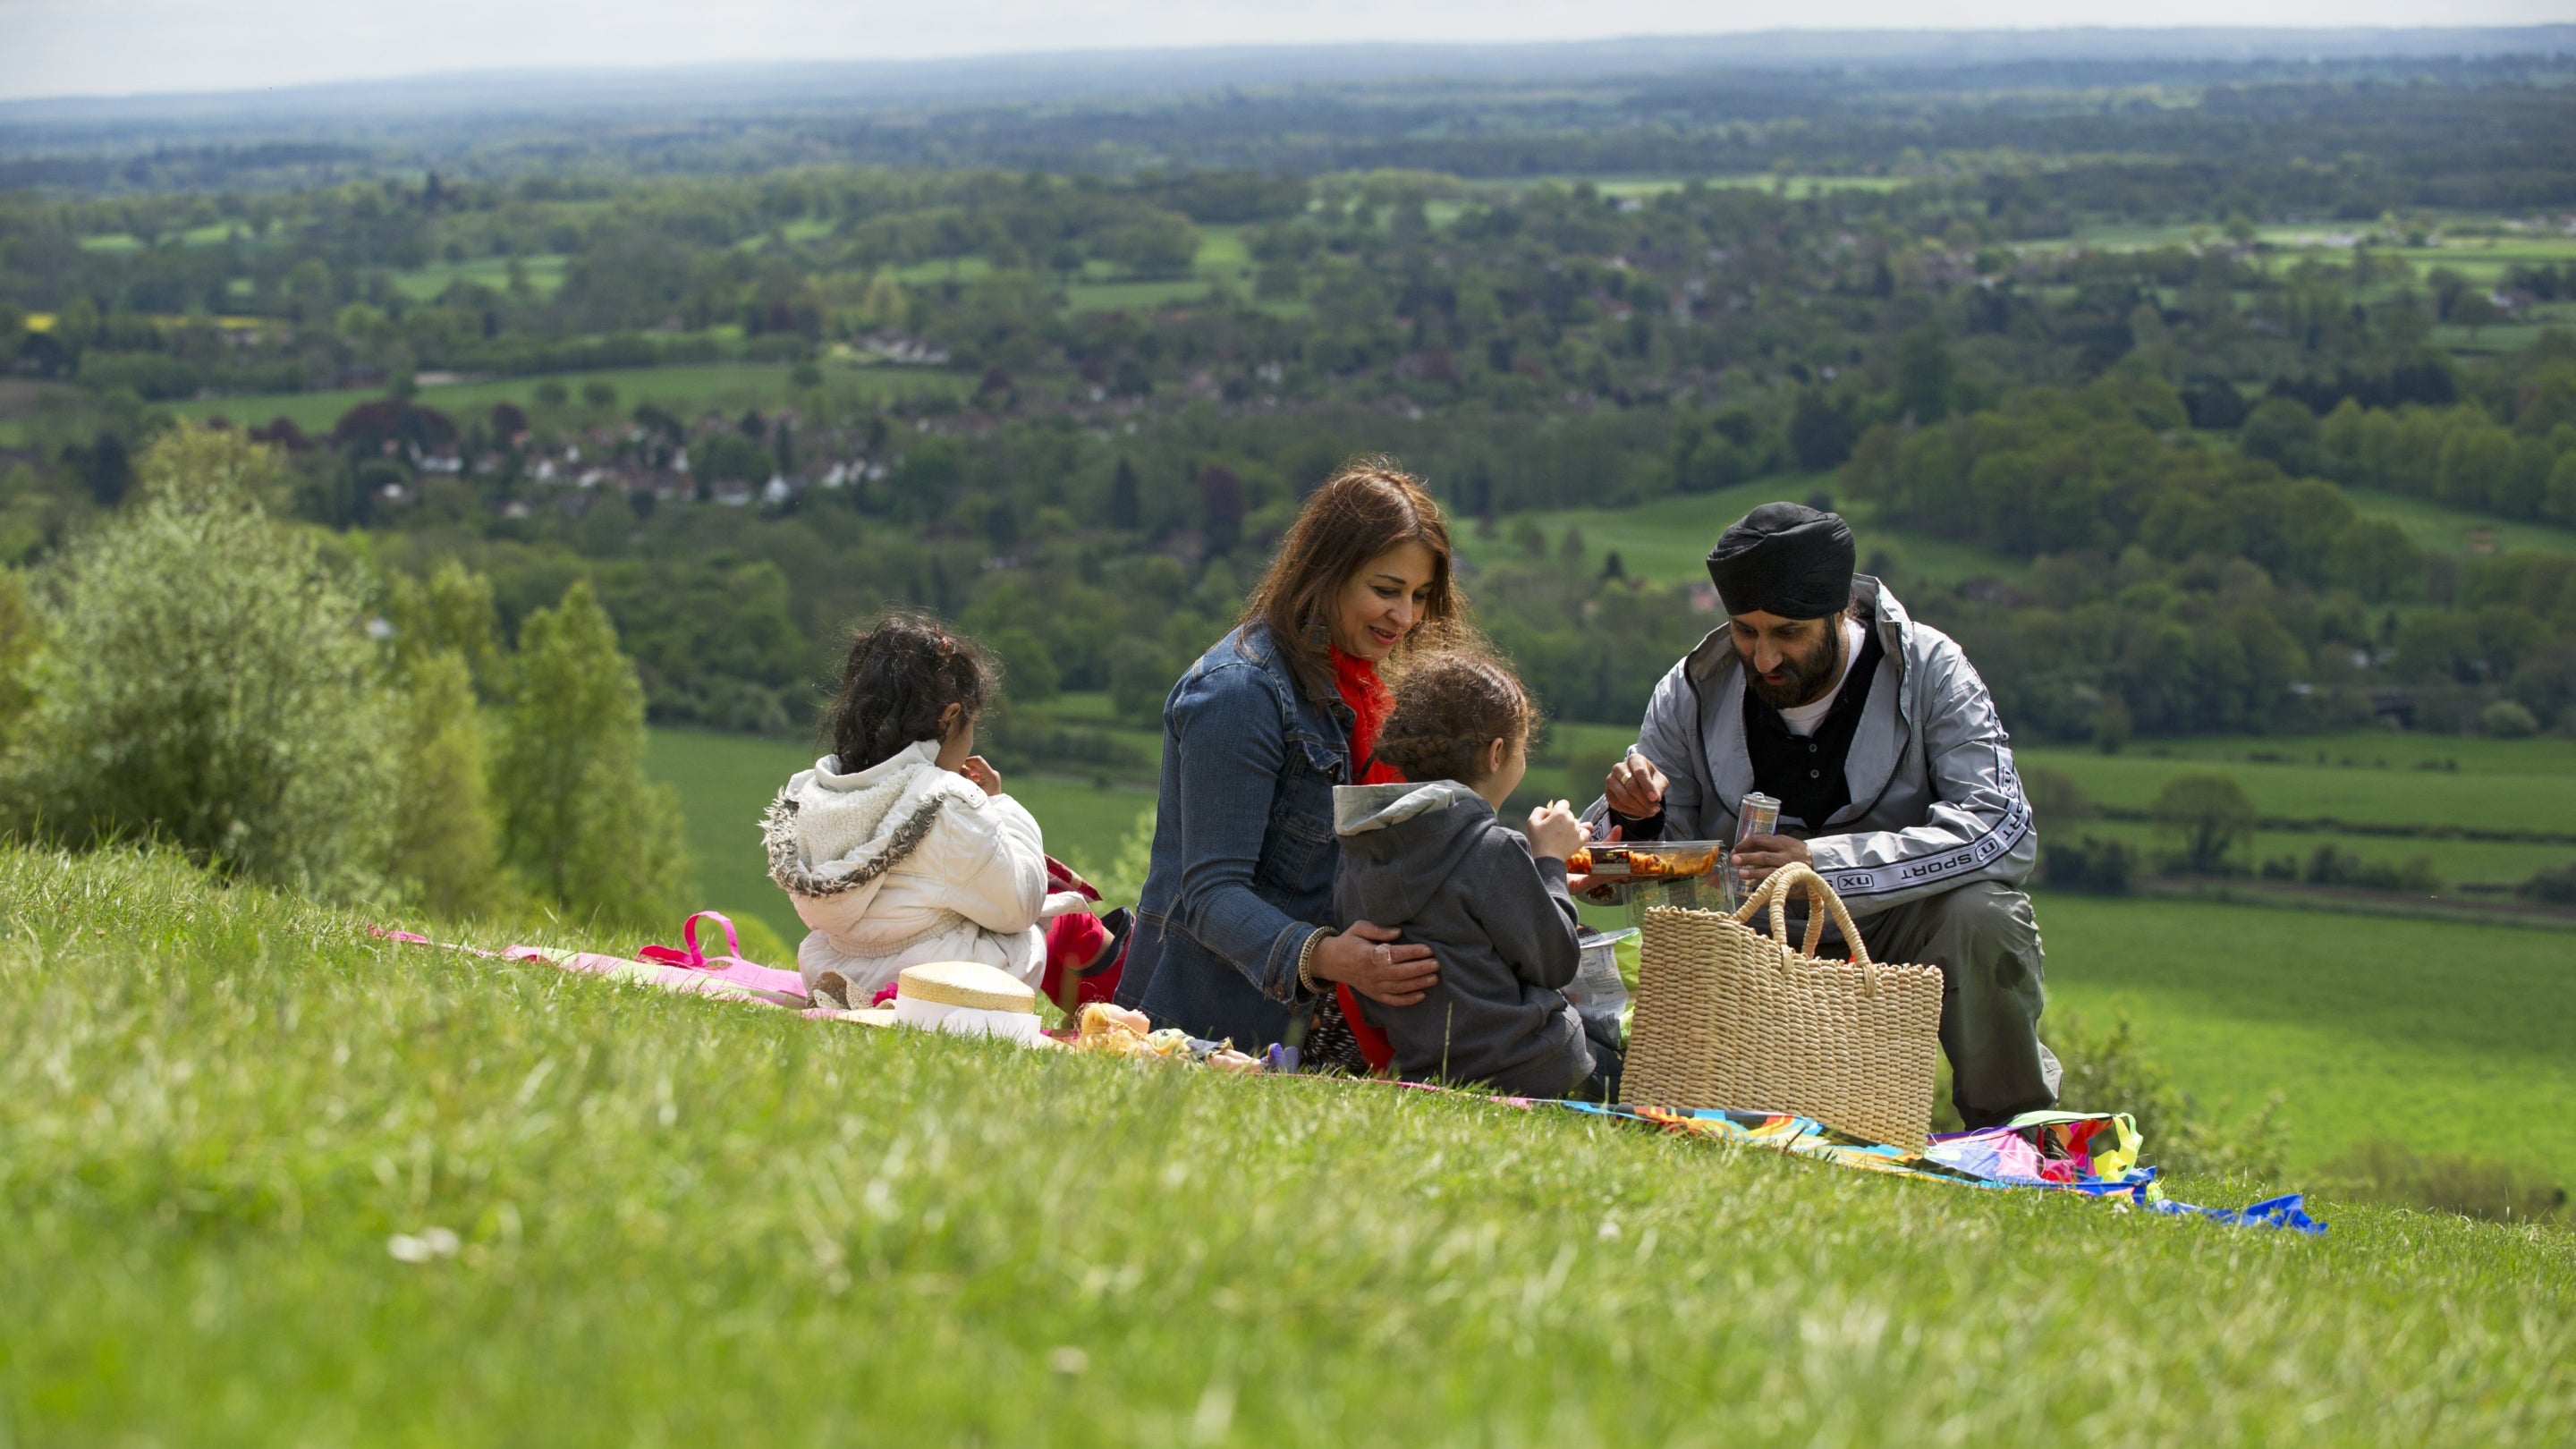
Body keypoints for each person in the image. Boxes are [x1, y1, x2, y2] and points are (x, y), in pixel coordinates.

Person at [1586, 502, 2060, 1129]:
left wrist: (1827, 866)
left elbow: (2003, 830)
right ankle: (1691, 1105)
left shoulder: (1933, 669)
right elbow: (1606, 874)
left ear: (1842, 612)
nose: (1763, 658)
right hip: (1747, 932)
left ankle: (2012, 1131)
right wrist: (1636, 820)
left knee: (1984, 916)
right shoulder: (1691, 689)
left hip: (1897, 923)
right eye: (1745, 631)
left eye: (1788, 633)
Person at [1115, 457, 1461, 1053]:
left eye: (1420, 595)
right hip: (1196, 1032)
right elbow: (1211, 897)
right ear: (1327, 572)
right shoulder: (1238, 693)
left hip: (1299, 1036)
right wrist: (1331, 957)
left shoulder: (1370, 694)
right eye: (1386, 590)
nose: (1404, 616)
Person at [763, 613, 1112, 1008]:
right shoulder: (946, 801)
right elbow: (1020, 905)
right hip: (938, 984)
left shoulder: (810, 790)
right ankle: (1139, 1011)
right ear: (949, 718)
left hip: (836, 970)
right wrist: (998, 805)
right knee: (1063, 921)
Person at [1332, 648, 1615, 1099]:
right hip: (1538, 1072)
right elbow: (1556, 962)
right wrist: (1550, 862)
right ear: (1497, 754)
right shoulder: (1492, 848)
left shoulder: (1362, 852)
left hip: (1432, 1079)